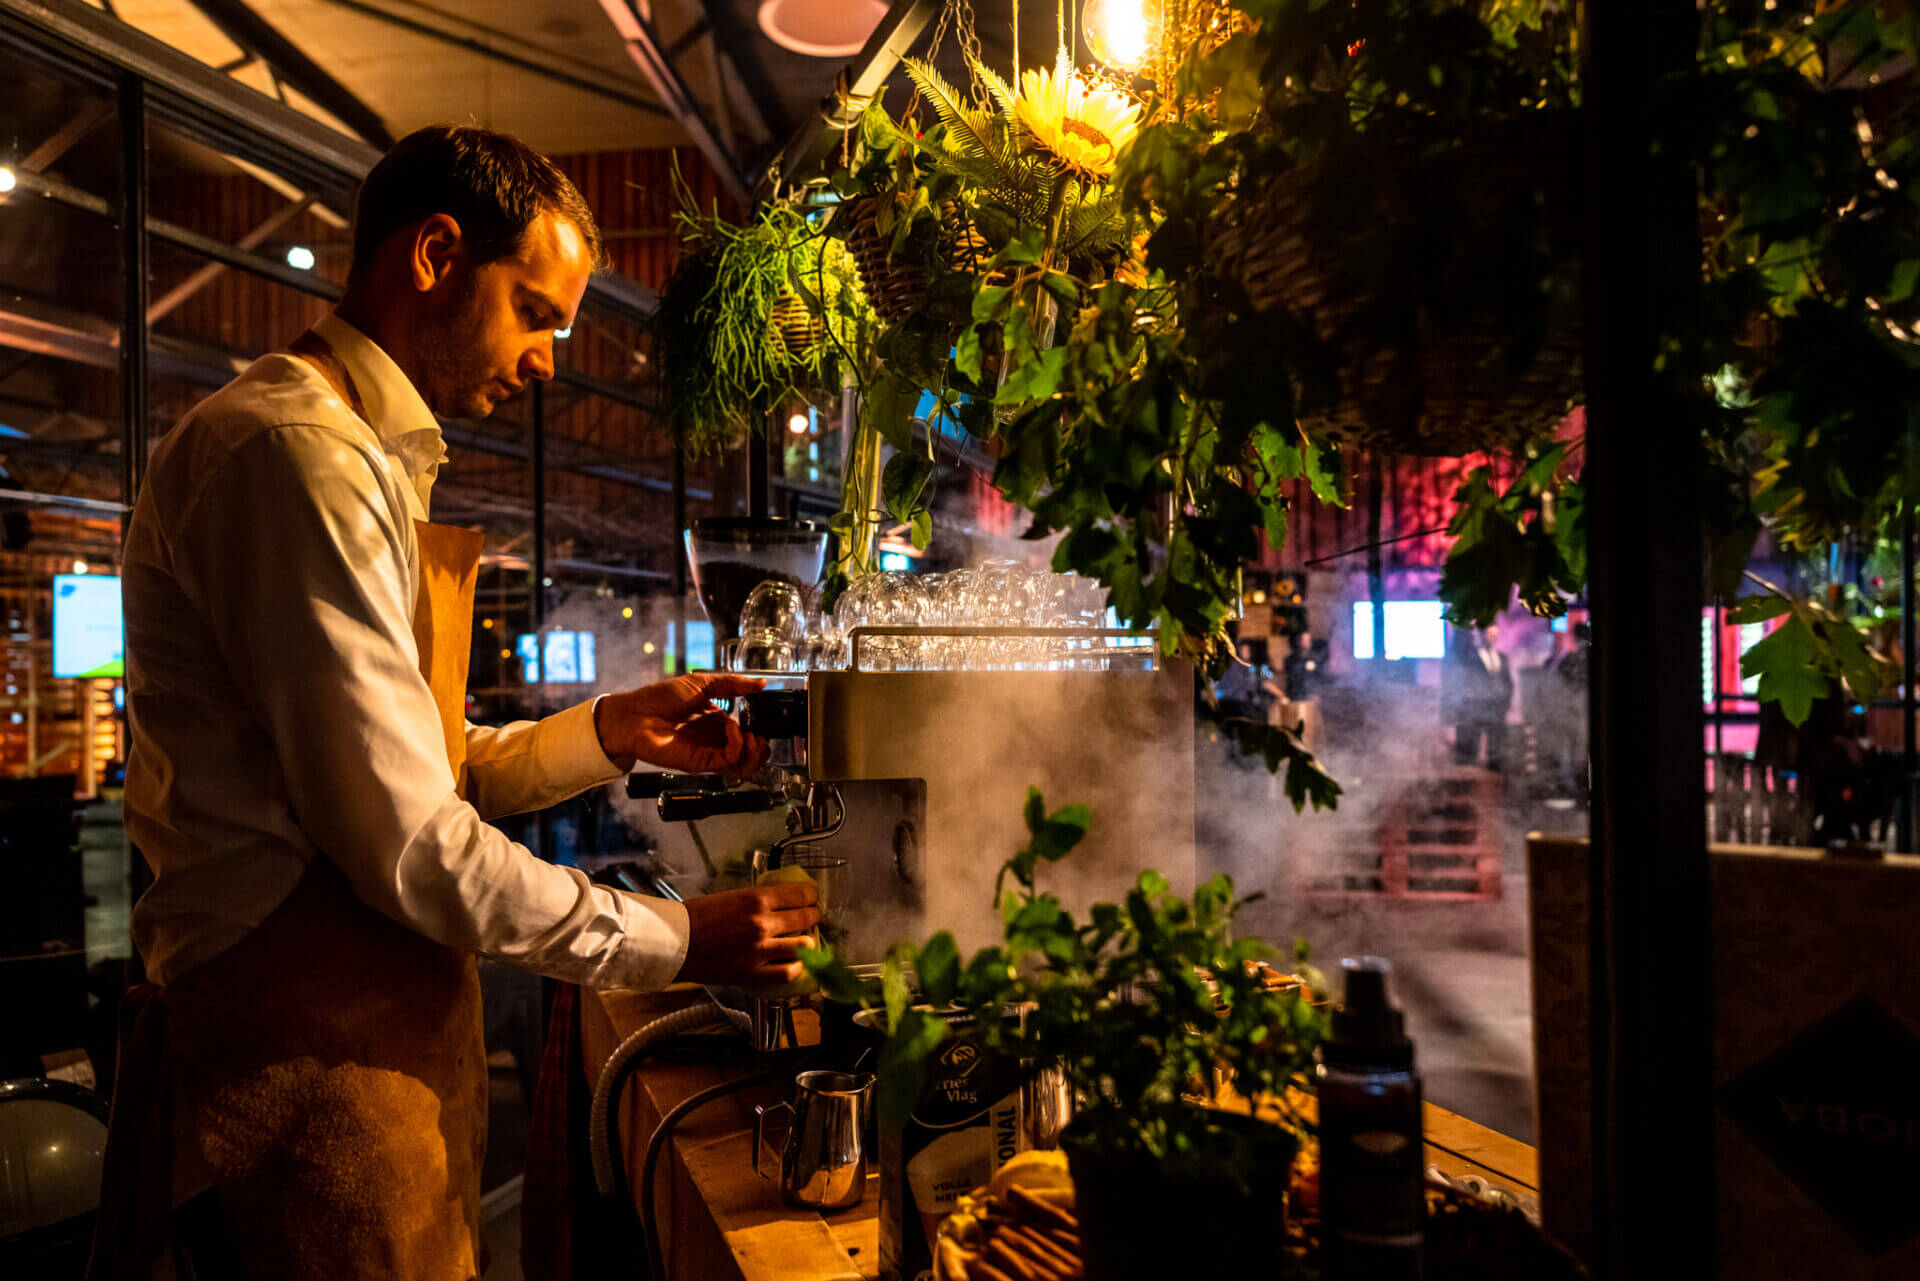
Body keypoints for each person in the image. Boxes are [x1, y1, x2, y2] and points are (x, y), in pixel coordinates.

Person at [94, 127, 821, 1281]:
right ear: (436, 253)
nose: (546, 361)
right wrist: (680, 939)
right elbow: (410, 846)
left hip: (367, 1055)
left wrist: (609, 730)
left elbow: (413, 762)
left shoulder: (365, 457)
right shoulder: (295, 454)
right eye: (537, 311)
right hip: (294, 1074)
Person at [1445, 622, 1513, 769]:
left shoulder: (1502, 657)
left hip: (1497, 710)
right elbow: (1464, 683)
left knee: (1497, 752)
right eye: (1490, 635)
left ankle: (1496, 778)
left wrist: (1505, 704)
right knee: (1469, 753)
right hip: (1475, 710)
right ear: (1482, 636)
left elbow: (1508, 683)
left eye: (1495, 635)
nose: (1493, 639)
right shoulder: (1470, 657)